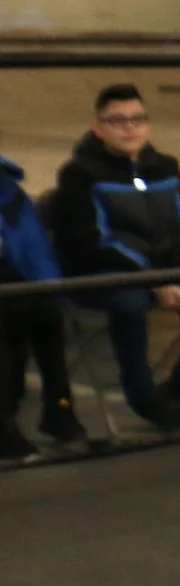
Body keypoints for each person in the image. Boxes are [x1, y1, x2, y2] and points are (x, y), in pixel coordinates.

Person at [54, 85, 180, 430]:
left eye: (137, 119)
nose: (129, 128)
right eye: (117, 121)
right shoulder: (79, 174)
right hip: (108, 279)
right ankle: (142, 393)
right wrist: (154, 281)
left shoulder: (165, 167)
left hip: (171, 285)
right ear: (98, 127)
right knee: (131, 303)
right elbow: (95, 243)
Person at [0, 153, 79, 458]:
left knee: (47, 313)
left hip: (14, 279)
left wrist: (52, 287)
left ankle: (59, 410)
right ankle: (4, 423)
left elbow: (36, 249)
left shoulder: (9, 191)